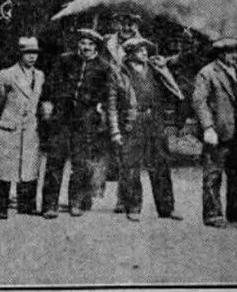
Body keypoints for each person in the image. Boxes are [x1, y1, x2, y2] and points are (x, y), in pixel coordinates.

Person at [107, 37, 185, 222]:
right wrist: (115, 131)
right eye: (141, 51)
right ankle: (133, 207)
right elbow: (111, 106)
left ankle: (167, 208)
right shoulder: (119, 73)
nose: (145, 54)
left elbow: (173, 90)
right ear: (131, 53)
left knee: (161, 165)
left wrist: (164, 69)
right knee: (131, 167)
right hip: (132, 123)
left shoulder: (154, 70)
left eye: (146, 50)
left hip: (155, 122)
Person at [40, 29, 110, 218]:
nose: (86, 47)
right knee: (55, 160)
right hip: (62, 118)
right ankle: (49, 205)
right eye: (83, 43)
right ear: (78, 44)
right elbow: (50, 84)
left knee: (81, 164)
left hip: (86, 120)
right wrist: (48, 103)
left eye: (90, 44)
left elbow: (107, 94)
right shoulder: (65, 60)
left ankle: (76, 203)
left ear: (96, 47)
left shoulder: (103, 67)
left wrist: (100, 109)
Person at [192, 37, 237, 227]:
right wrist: (208, 127)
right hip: (219, 131)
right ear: (220, 54)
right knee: (213, 173)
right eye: (229, 52)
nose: (233, 56)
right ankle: (212, 215)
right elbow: (199, 102)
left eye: (235, 52)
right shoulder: (207, 73)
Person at [0, 37, 47, 219]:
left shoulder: (40, 76)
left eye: (34, 53)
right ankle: (0, 206)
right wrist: (3, 119)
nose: (31, 57)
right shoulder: (6, 74)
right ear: (20, 54)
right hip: (9, 126)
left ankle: (26, 205)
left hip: (29, 127)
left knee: (28, 167)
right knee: (5, 168)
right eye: (27, 53)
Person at [101, 12, 143, 213]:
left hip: (129, 102)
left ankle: (123, 199)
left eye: (131, 24)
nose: (126, 28)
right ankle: (88, 196)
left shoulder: (142, 45)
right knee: (101, 149)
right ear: (116, 23)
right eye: (123, 23)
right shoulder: (106, 43)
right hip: (108, 98)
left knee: (127, 154)